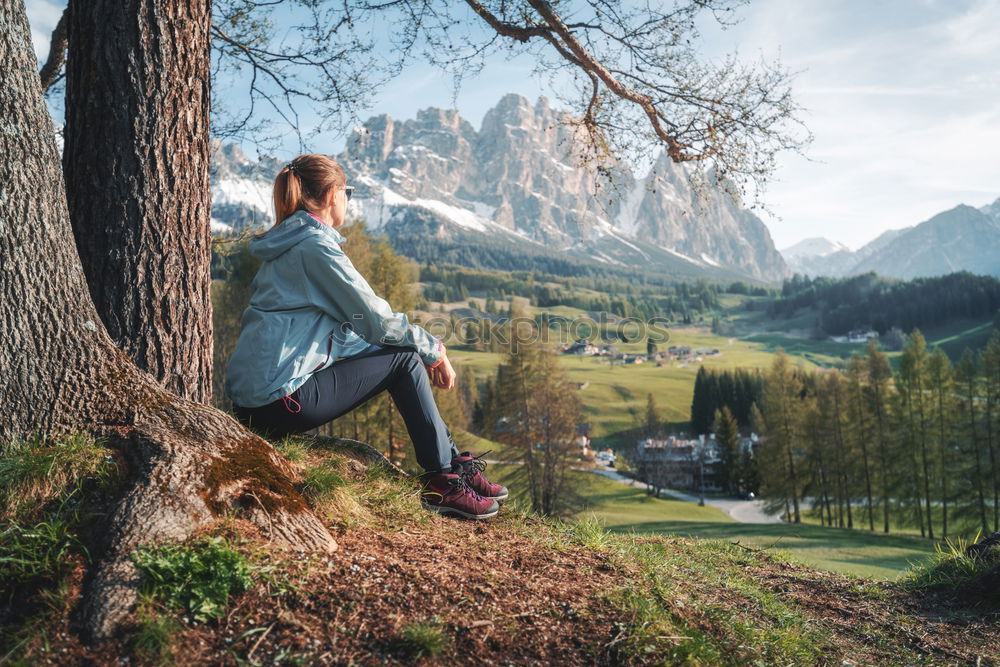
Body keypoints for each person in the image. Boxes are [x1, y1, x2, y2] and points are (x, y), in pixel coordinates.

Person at [225, 153, 507, 520]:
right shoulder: (314, 248)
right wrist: (431, 348)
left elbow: (349, 333)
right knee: (405, 360)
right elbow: (375, 319)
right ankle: (442, 482)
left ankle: (453, 465)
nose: (348, 201)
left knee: (402, 353)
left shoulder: (291, 245)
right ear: (331, 196)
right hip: (279, 400)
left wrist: (411, 344)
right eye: (348, 192)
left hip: (256, 401)